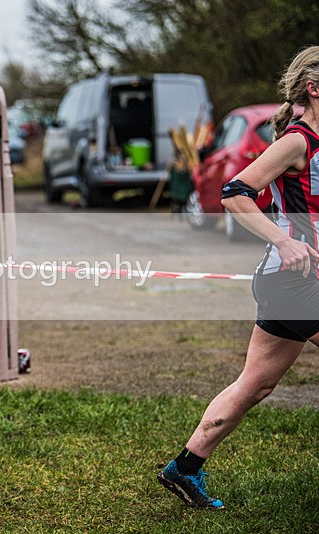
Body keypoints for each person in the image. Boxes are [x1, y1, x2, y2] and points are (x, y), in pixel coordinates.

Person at [158, 45, 319, 509]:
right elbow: (234, 193)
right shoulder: (296, 141)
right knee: (256, 381)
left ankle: (184, 469)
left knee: (256, 383)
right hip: (293, 281)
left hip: (299, 281)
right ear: (314, 87)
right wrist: (285, 242)